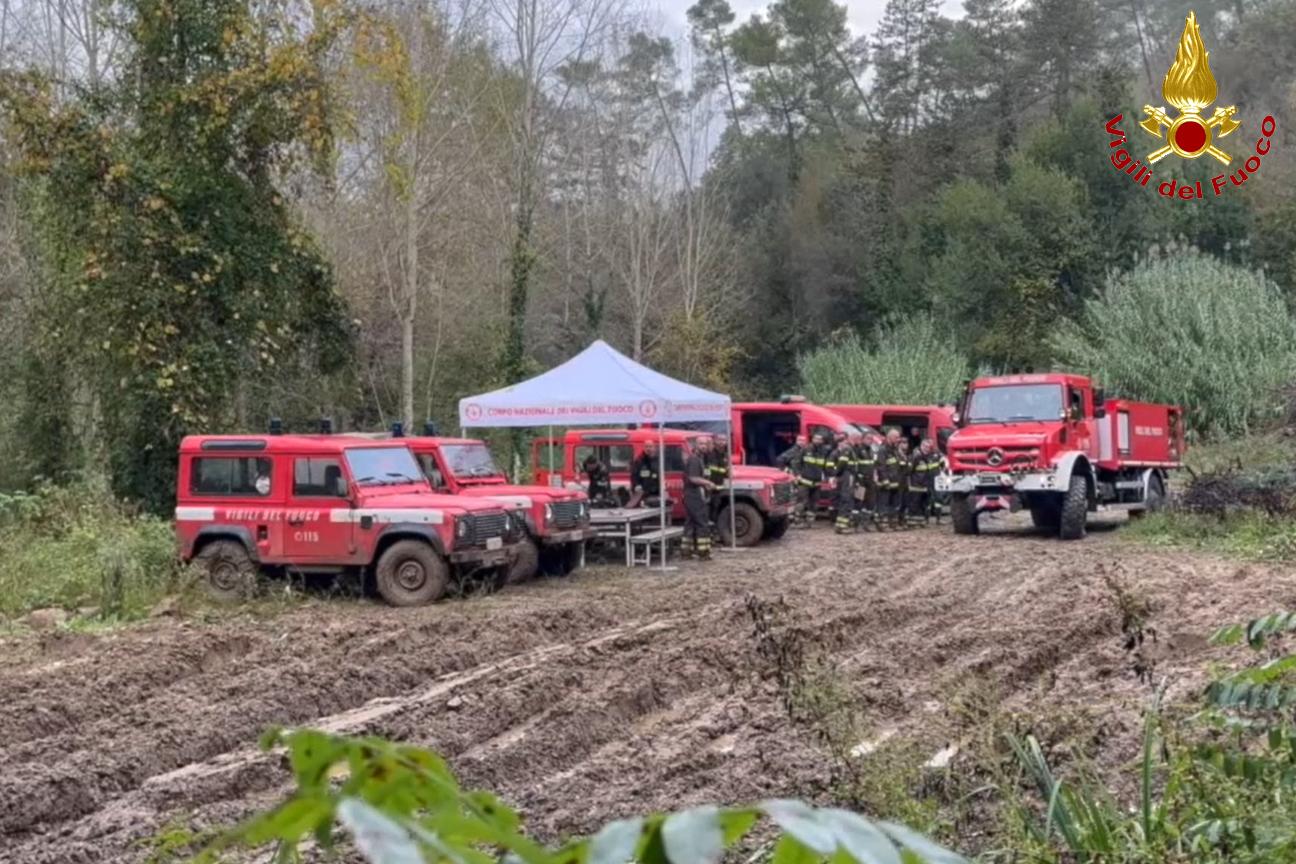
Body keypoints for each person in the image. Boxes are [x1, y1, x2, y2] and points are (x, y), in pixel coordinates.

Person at [682, 441, 717, 560]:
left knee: (690, 522)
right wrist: (708, 483)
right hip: (693, 495)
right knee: (702, 522)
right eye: (701, 444)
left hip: (693, 494)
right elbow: (693, 478)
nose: (704, 446)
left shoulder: (700, 459)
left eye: (706, 444)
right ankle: (703, 552)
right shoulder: (694, 460)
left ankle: (686, 551)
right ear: (696, 446)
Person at [778, 434, 813, 527]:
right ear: (797, 441)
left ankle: (795, 517)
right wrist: (786, 470)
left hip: (803, 477)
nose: (802, 442)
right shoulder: (794, 451)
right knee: (796, 498)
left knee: (800, 498)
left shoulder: (804, 450)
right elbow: (780, 459)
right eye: (800, 440)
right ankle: (792, 518)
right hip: (795, 478)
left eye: (804, 440)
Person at [909, 438, 943, 524]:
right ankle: (923, 519)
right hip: (920, 482)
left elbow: (942, 464)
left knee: (937, 499)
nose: (926, 448)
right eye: (925, 446)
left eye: (928, 447)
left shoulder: (934, 454)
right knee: (922, 501)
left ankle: (936, 519)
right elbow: (910, 470)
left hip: (933, 480)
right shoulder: (917, 456)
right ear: (921, 445)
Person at [878, 428, 905, 529]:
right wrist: (885, 480)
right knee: (885, 503)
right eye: (896, 437)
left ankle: (893, 523)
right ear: (890, 437)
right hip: (887, 482)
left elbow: (899, 465)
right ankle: (883, 524)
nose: (898, 439)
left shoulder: (895, 450)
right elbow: (881, 466)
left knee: (894, 504)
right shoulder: (883, 450)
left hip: (896, 482)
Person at [706, 435, 731, 537]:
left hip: (719, 486)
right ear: (715, 441)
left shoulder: (724, 454)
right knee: (710, 510)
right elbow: (712, 468)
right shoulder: (711, 454)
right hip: (710, 485)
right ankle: (711, 532)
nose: (722, 442)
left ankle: (714, 531)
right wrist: (726, 471)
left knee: (716, 509)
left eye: (724, 440)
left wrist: (727, 471)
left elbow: (725, 467)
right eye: (720, 440)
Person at [831, 432, 856, 534]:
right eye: (854, 438)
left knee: (845, 500)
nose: (855, 441)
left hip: (848, 476)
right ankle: (842, 526)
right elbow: (842, 464)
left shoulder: (850, 449)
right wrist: (836, 474)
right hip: (847, 476)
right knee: (846, 500)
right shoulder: (847, 449)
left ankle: (840, 525)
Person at [626, 441, 662, 508]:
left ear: (654, 448)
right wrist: (637, 485)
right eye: (646, 446)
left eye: (650, 446)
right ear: (644, 448)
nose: (648, 449)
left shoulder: (657, 460)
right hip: (643, 493)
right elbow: (634, 475)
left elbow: (659, 474)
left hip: (655, 492)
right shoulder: (639, 461)